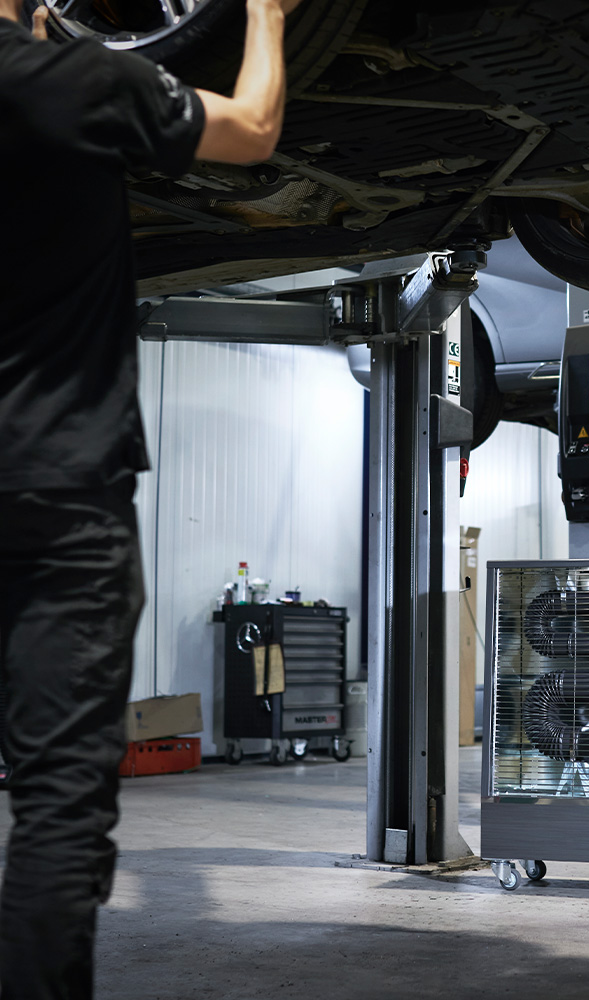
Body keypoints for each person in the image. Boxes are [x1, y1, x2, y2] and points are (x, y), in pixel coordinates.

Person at [0, 1, 302, 996]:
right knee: (57, 804)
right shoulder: (76, 84)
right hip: (59, 495)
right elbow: (254, 130)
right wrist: (264, 16)